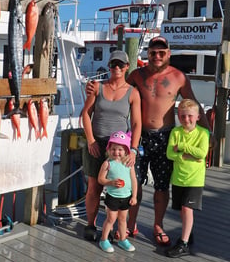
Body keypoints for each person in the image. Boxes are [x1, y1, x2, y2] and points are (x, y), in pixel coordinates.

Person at [86, 36, 210, 246]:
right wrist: (93, 86)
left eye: (162, 52)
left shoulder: (178, 77)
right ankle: (129, 225)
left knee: (162, 186)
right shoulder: (137, 75)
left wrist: (208, 132)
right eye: (153, 52)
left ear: (168, 54)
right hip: (140, 137)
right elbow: (118, 86)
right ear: (148, 53)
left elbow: (194, 103)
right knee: (136, 182)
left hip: (165, 136)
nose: (157, 56)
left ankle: (158, 226)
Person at [81, 50, 141, 242]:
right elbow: (85, 114)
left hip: (120, 148)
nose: (116, 68)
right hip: (97, 144)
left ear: (126, 67)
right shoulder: (97, 87)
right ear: (109, 66)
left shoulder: (133, 92)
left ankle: (116, 228)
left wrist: (132, 149)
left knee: (121, 187)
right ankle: (91, 225)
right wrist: (90, 140)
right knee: (94, 187)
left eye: (120, 65)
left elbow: (137, 123)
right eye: (113, 64)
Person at [165, 99, 209, 258]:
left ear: (198, 117)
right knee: (181, 210)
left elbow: (202, 153)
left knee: (187, 209)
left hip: (194, 180)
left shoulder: (203, 133)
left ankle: (183, 244)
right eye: (183, 116)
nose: (186, 119)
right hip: (178, 178)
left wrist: (182, 147)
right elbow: (170, 153)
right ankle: (188, 234)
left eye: (190, 116)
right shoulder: (175, 132)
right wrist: (187, 156)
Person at [97, 131, 138, 253]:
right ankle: (104, 239)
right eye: (113, 149)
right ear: (109, 150)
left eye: (120, 149)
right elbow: (100, 179)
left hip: (126, 196)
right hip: (113, 196)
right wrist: (111, 182)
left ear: (126, 150)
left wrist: (134, 196)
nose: (116, 152)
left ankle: (122, 239)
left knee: (122, 219)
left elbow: (134, 180)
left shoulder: (128, 164)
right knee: (111, 219)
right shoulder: (107, 164)